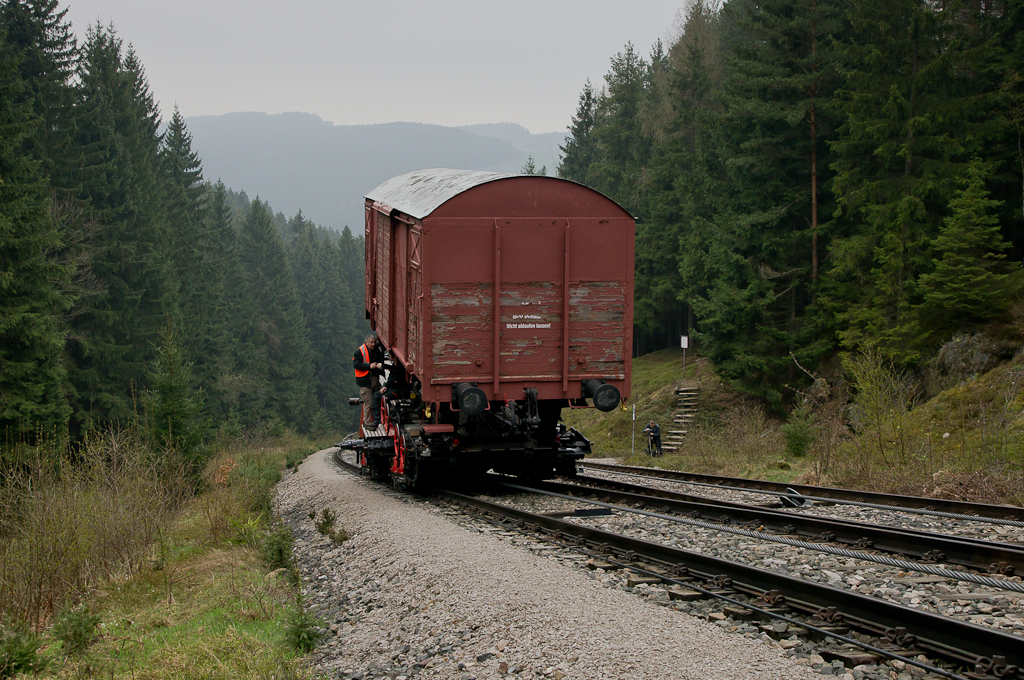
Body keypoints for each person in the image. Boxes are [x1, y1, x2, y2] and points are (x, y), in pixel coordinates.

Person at [353, 333, 385, 428]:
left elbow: (381, 358)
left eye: (374, 342)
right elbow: (356, 365)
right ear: (366, 342)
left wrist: (380, 365)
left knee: (376, 398)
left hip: (374, 379)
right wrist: (369, 366)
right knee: (368, 402)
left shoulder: (376, 350)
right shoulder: (359, 352)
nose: (373, 344)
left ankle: (377, 418)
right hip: (364, 381)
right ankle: (367, 422)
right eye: (371, 342)